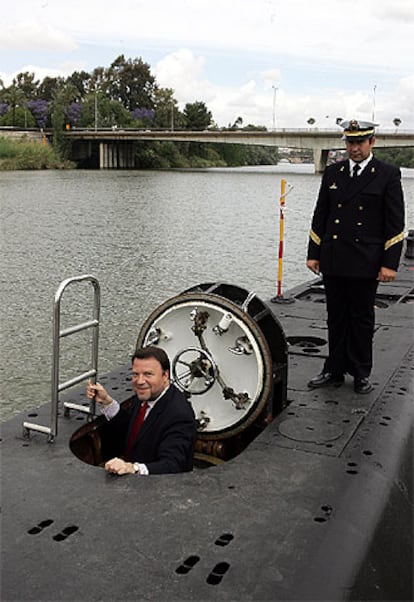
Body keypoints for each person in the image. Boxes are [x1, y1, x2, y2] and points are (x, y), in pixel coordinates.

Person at [306, 119, 405, 394]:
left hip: (366, 260)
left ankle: (361, 372)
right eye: (350, 142)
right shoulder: (333, 173)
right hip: (335, 258)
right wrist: (314, 253)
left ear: (372, 142)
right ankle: (333, 369)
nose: (354, 148)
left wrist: (389, 263)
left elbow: (395, 224)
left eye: (360, 142)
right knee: (335, 316)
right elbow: (321, 215)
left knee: (361, 318)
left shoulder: (387, 174)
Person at [87, 346, 197, 475]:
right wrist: (107, 402)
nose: (139, 381)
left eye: (148, 374)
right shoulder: (146, 395)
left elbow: (173, 465)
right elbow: (133, 429)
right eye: (135, 374)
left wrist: (133, 468)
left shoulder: (179, 415)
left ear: (165, 375)